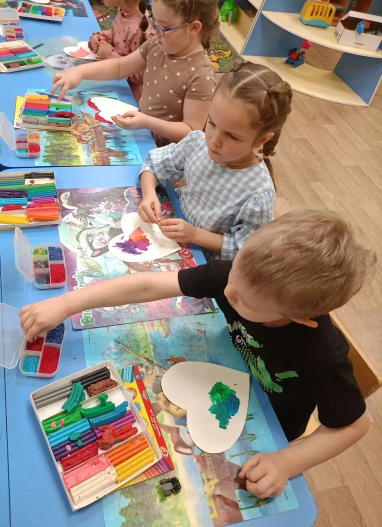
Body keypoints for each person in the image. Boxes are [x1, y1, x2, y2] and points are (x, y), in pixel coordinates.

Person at [19, 210, 375, 499]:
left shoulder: (322, 353)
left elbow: (355, 426)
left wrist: (287, 462)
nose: (228, 292)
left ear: (299, 318)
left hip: (270, 424)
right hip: (224, 370)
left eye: (243, 301)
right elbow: (148, 284)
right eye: (233, 277)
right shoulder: (237, 277)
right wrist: (67, 303)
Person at [139, 60, 292, 261]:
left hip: (203, 265)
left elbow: (246, 251)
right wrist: (149, 194)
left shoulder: (257, 195)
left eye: (232, 136)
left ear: (260, 140)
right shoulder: (197, 143)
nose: (214, 140)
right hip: (169, 238)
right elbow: (155, 163)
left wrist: (195, 235)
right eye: (211, 122)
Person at [52, 0, 219, 146]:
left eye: (163, 27)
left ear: (194, 28)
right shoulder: (157, 46)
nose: (155, 31)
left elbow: (191, 131)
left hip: (165, 152)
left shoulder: (202, 75)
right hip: (142, 133)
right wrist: (80, 72)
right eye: (154, 22)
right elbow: (119, 67)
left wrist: (147, 122)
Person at [88, 0, 153, 102]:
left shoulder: (140, 29)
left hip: (127, 98)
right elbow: (116, 33)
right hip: (114, 81)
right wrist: (102, 36)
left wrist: (110, 55)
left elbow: (142, 76)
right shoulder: (123, 10)